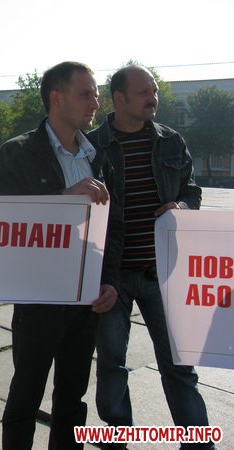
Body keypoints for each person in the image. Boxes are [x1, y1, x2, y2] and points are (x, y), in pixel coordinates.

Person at [0, 61, 123, 450]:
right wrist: (65, 198)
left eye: (96, 94)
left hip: (86, 302)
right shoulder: (18, 152)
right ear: (56, 98)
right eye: (86, 94)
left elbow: (114, 225)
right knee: (25, 397)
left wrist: (109, 280)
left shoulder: (100, 155)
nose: (95, 103)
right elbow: (3, 221)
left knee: (72, 400)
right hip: (38, 300)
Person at [88, 64, 216, 450]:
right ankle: (116, 441)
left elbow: (191, 191)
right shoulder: (91, 146)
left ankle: (198, 444)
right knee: (112, 366)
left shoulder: (171, 141)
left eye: (155, 91)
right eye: (144, 92)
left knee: (180, 365)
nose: (153, 98)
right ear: (120, 98)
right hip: (110, 277)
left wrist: (181, 206)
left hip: (163, 273)